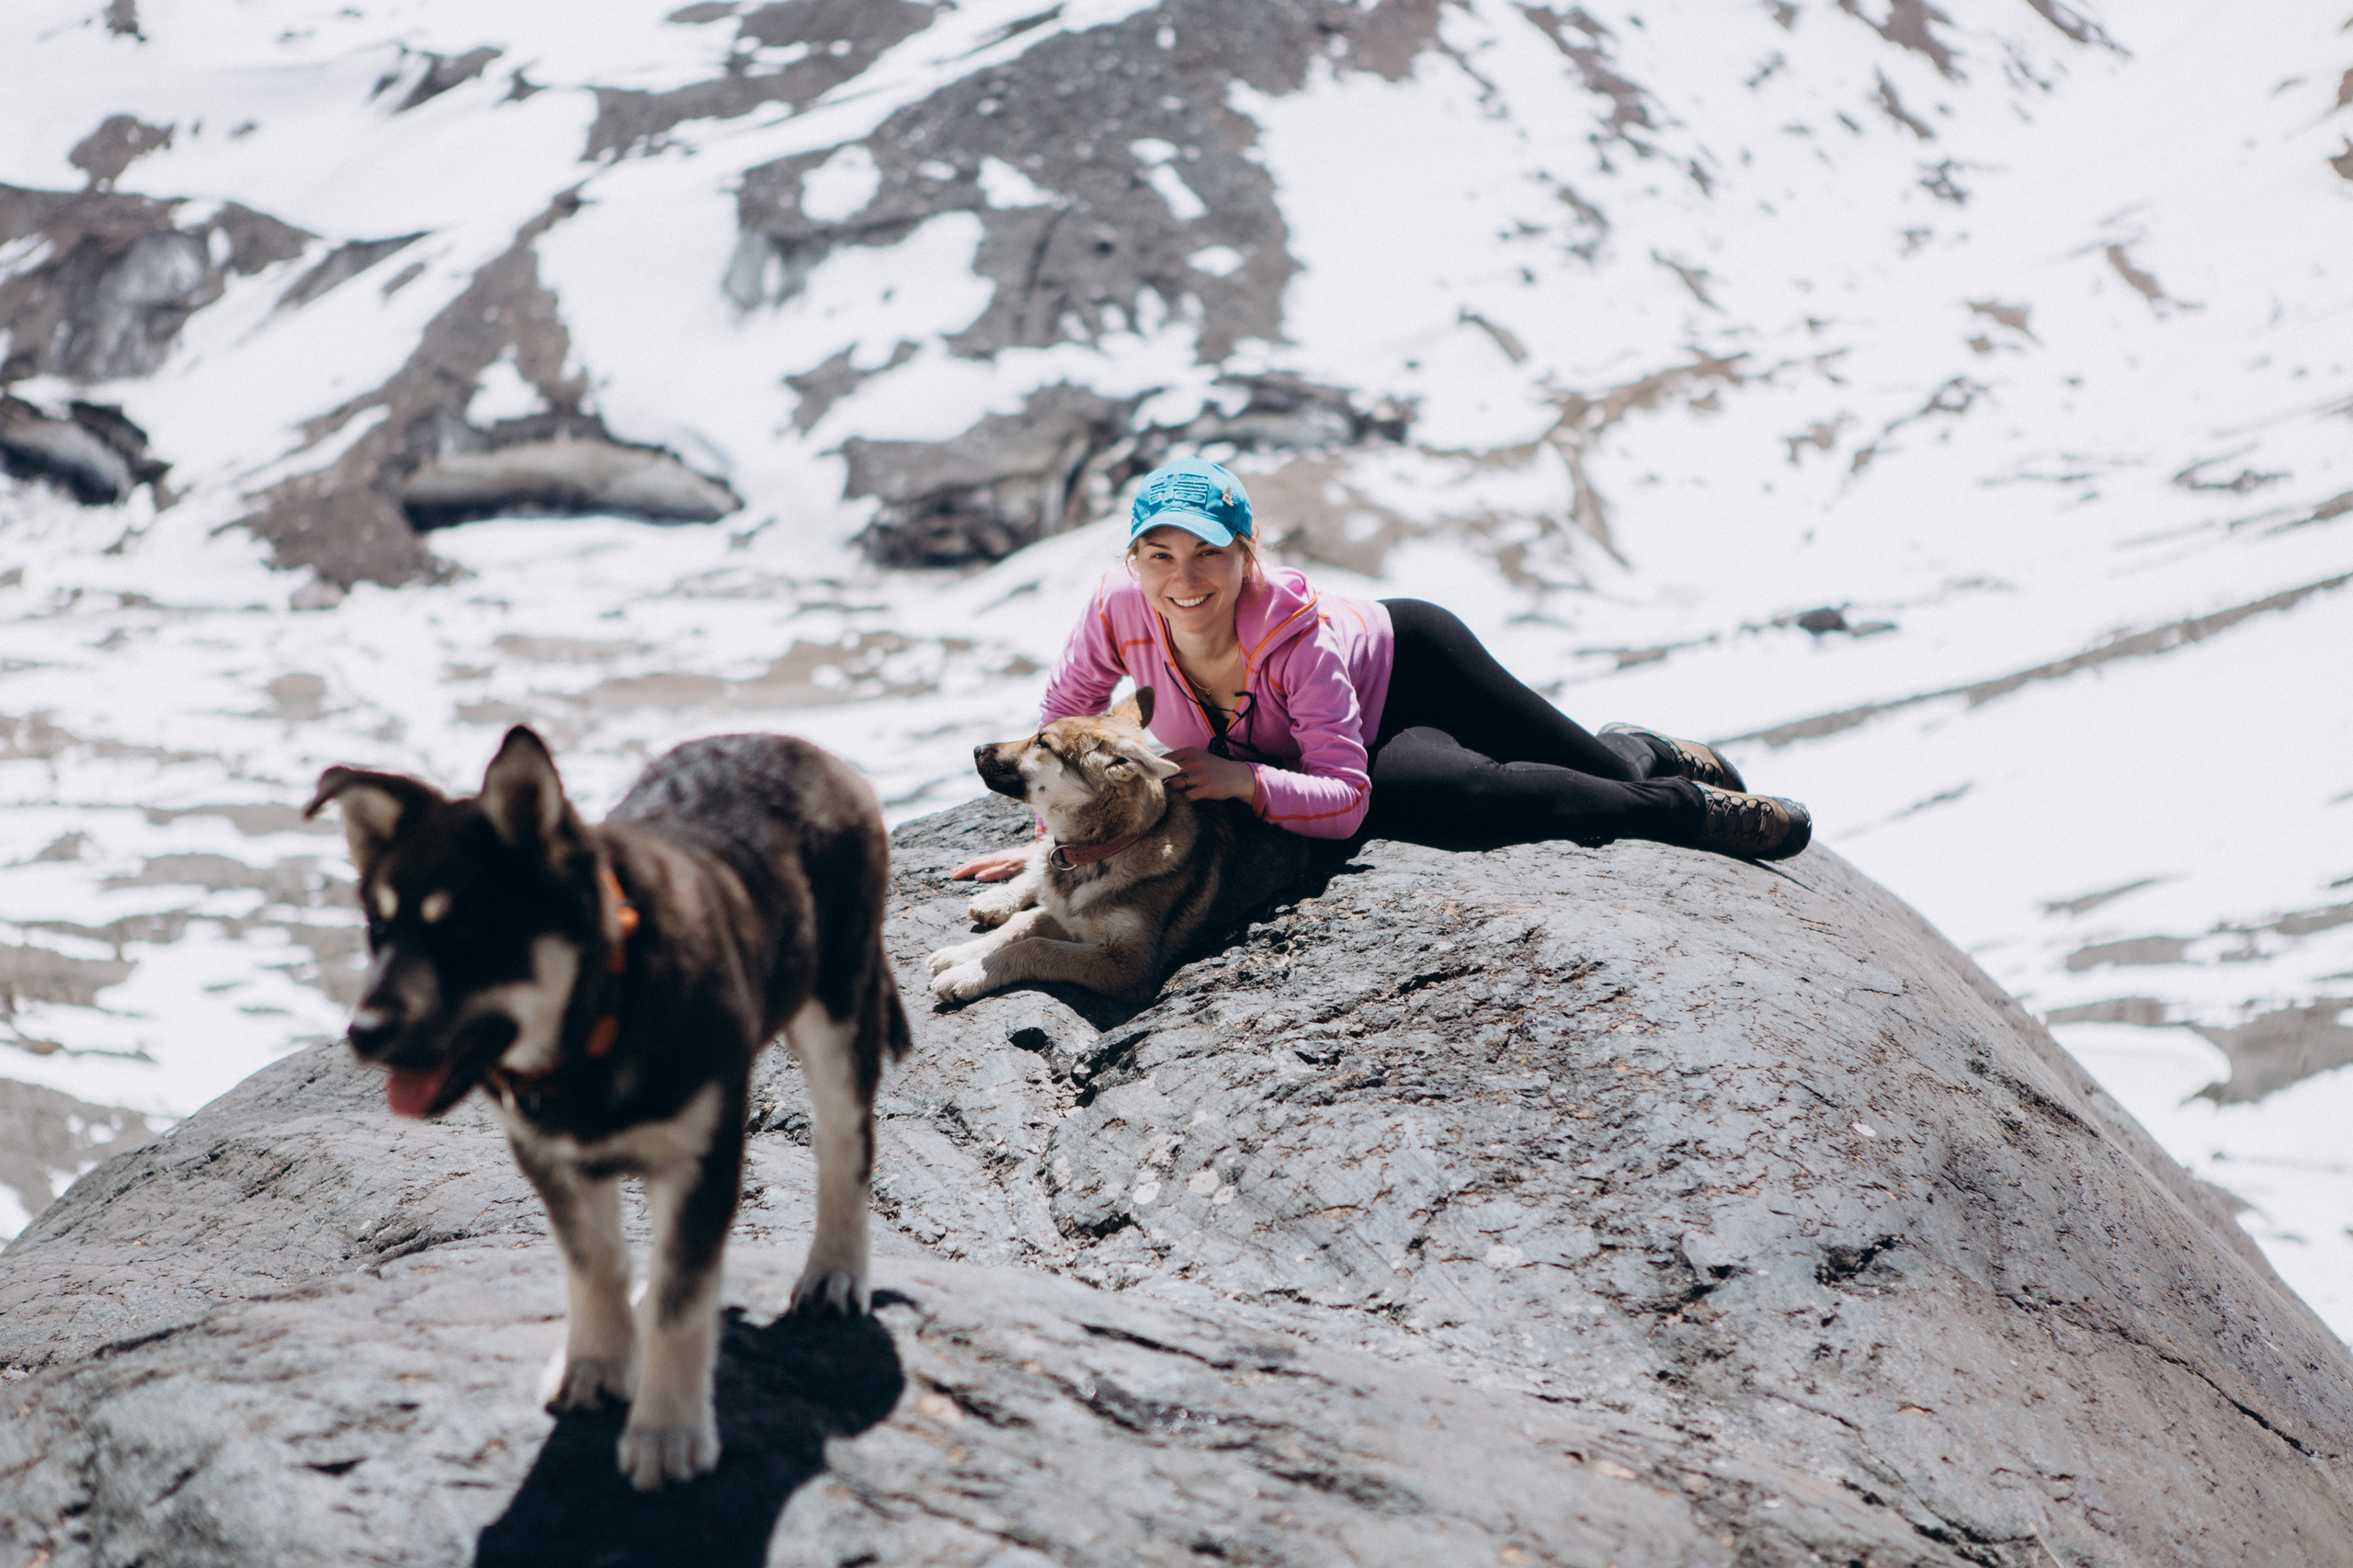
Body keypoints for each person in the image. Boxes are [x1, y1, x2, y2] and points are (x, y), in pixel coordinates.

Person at [949, 458, 1809, 882]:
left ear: (1247, 554)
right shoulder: (1114, 609)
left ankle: (1642, 756)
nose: (1183, 580)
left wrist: (1247, 783)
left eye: (1208, 554)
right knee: (1471, 803)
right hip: (1352, 747)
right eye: (1158, 555)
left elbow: (1341, 795)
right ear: (1134, 560)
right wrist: (1052, 843)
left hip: (1415, 665)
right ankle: (1685, 809)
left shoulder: (1295, 632)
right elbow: (1061, 723)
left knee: (1599, 768)